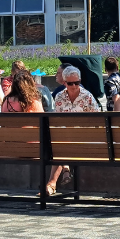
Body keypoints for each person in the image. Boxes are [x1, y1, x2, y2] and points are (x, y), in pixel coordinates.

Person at [43, 66, 100, 195]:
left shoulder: (87, 97)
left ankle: (52, 182)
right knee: (60, 141)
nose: (74, 86)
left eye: (77, 82)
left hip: (85, 137)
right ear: (64, 83)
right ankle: (63, 171)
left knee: (59, 145)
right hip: (66, 139)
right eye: (70, 83)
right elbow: (57, 122)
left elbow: (98, 121)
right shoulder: (59, 97)